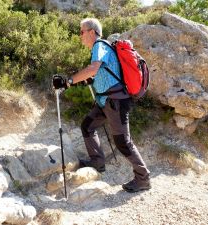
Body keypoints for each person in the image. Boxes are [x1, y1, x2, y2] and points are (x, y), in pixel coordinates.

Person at [53, 18, 151, 193]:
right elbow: (97, 75)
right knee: (87, 126)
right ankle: (97, 162)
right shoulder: (100, 49)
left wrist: (68, 81)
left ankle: (143, 178)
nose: (80, 35)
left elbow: (93, 69)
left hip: (116, 102)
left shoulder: (100, 46)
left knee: (123, 142)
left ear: (92, 31)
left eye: (82, 31)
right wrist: (78, 81)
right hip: (105, 101)